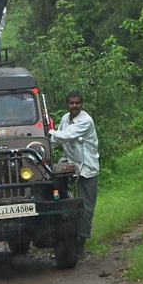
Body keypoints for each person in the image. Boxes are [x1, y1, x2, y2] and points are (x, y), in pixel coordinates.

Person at [48, 92, 100, 259]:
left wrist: (47, 132)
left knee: (86, 207)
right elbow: (57, 140)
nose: (74, 106)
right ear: (67, 104)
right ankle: (61, 238)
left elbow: (65, 135)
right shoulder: (65, 118)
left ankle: (81, 244)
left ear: (82, 104)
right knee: (57, 196)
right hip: (70, 163)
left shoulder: (86, 120)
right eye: (71, 103)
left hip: (87, 167)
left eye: (77, 103)